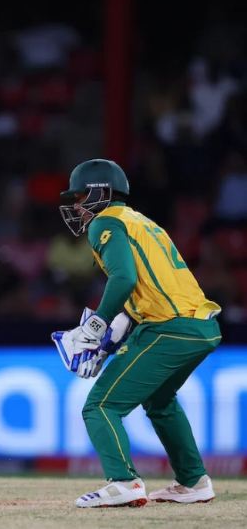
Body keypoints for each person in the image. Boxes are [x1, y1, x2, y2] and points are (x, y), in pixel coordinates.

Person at [54, 159, 222, 507]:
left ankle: (124, 482)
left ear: (100, 192)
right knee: (159, 401)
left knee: (99, 406)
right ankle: (193, 481)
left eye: (80, 196)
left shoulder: (105, 221)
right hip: (199, 326)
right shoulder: (139, 220)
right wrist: (107, 342)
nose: (76, 206)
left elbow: (124, 279)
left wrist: (96, 325)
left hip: (169, 327)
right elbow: (144, 289)